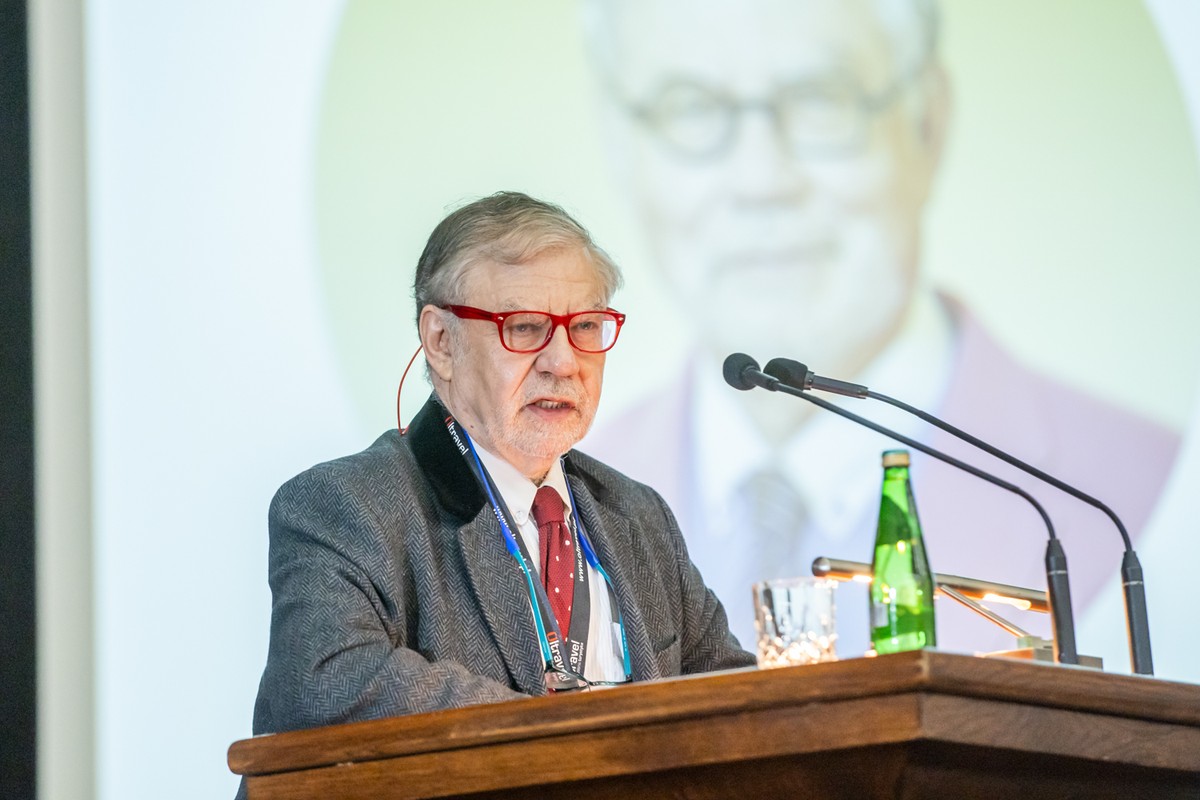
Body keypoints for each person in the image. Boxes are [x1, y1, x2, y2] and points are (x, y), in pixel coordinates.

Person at [579, 0, 1179, 653]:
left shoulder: (1132, 489)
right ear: (617, 144)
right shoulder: (567, 495)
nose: (760, 180)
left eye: (819, 99)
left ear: (927, 122)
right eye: (690, 107)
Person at [247, 191, 754, 741]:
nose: (563, 362)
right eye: (526, 327)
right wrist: (566, 731)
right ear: (441, 341)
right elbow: (326, 685)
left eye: (584, 326)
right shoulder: (346, 505)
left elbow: (730, 696)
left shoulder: (637, 514)